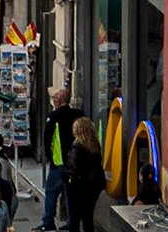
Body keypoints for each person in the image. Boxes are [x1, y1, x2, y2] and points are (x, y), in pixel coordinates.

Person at [38, 89, 80, 231]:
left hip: (59, 163)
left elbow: (47, 139)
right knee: (70, 194)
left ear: (58, 101)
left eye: (55, 98)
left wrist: (50, 158)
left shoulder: (53, 117)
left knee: (51, 193)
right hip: (75, 164)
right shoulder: (78, 115)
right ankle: (71, 222)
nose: (53, 100)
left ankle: (48, 222)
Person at [65, 118, 105, 232]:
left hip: (78, 188)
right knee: (88, 218)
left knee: (74, 220)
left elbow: (73, 168)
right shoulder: (94, 145)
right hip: (93, 187)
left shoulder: (76, 147)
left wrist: (68, 180)